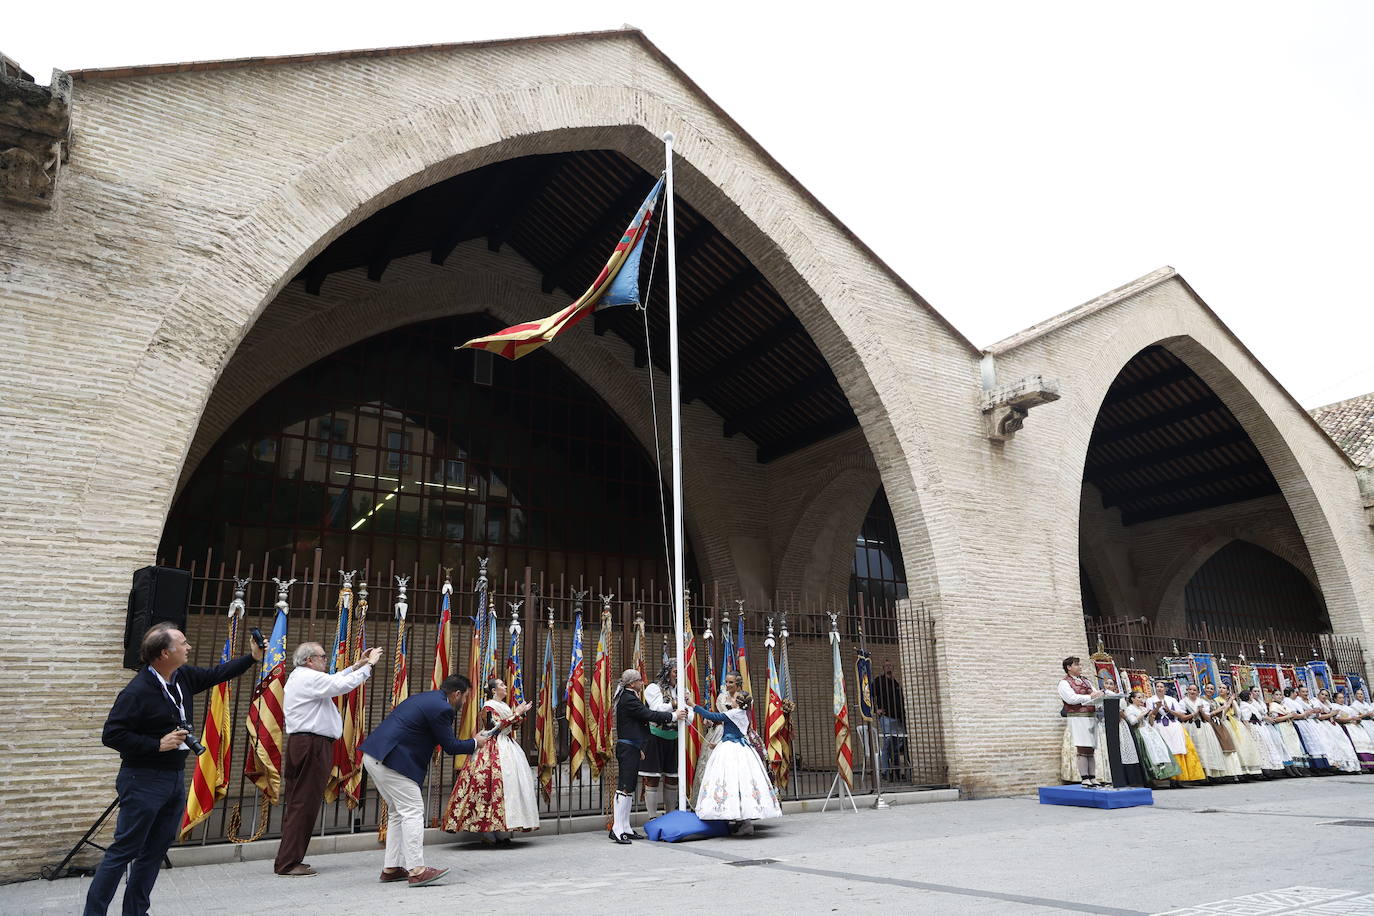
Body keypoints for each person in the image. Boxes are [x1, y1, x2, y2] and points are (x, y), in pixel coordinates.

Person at [85, 623, 263, 916]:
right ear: (165, 653)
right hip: (142, 779)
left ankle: (136, 912)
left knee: (154, 852)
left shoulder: (182, 677)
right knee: (124, 850)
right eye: (183, 643)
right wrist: (156, 744)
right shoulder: (137, 691)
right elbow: (112, 735)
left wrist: (252, 658)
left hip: (172, 778)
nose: (188, 647)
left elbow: (218, 674)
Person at [359, 674, 489, 887]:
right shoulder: (443, 708)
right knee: (412, 811)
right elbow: (450, 746)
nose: (464, 702)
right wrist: (475, 742)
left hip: (375, 755)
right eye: (465, 697)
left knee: (397, 813)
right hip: (391, 761)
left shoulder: (426, 699)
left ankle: (391, 868)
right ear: (456, 694)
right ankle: (417, 870)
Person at [274, 641, 382, 876]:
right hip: (311, 744)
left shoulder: (304, 677)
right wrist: (368, 667)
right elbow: (339, 685)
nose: (326, 659)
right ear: (309, 660)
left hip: (306, 743)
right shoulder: (307, 677)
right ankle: (288, 862)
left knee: (300, 802)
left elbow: (334, 680)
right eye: (322, 656)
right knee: (304, 803)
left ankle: (289, 858)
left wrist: (357, 665)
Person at [442, 677, 537, 840]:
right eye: (501, 685)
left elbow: (511, 726)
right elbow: (496, 727)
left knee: (509, 788)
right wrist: (517, 713)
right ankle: (487, 831)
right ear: (493, 690)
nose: (505, 687)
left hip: (507, 746)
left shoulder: (504, 705)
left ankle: (502, 830)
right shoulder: (488, 706)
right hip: (492, 747)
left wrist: (520, 714)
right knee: (489, 787)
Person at [609, 668, 686, 844]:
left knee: (629, 790)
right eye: (638, 680)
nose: (642, 683)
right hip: (628, 747)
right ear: (631, 683)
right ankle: (617, 828)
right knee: (624, 788)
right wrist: (673, 716)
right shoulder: (628, 699)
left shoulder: (630, 697)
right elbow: (649, 715)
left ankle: (626, 827)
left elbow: (640, 722)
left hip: (634, 746)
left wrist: (641, 746)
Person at [692, 691, 782, 834]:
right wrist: (718, 743)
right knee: (742, 783)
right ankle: (744, 823)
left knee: (730, 780)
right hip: (742, 747)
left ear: (738, 703)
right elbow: (733, 731)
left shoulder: (734, 713)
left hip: (731, 749)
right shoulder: (745, 713)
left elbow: (713, 716)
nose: (731, 699)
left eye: (734, 698)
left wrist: (693, 705)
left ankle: (733, 818)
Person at [641, 660, 683, 822]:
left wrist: (687, 711)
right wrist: (675, 703)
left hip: (674, 738)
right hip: (655, 737)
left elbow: (689, 712)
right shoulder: (653, 688)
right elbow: (657, 708)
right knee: (652, 777)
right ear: (667, 672)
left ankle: (671, 815)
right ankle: (652, 817)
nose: (678, 676)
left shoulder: (682, 690)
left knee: (672, 776)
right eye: (675, 672)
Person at [1146, 680, 1206, 786]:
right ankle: (1169, 777)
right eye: (1157, 686)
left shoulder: (1172, 699)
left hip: (1174, 726)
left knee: (1178, 751)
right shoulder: (1150, 700)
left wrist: (1169, 710)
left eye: (1161, 686)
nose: (1159, 688)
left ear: (1165, 689)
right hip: (1160, 726)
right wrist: (1157, 707)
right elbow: (1151, 716)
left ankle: (1178, 778)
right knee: (1166, 751)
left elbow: (1180, 715)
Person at [1057, 656, 1104, 787]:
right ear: (1069, 667)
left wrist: (1101, 695)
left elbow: (1095, 693)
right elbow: (1071, 698)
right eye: (1077, 665)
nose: (1080, 667)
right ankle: (1084, 778)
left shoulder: (1086, 681)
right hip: (1078, 716)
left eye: (1080, 664)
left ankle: (1093, 777)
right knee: (1082, 747)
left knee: (1091, 748)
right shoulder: (1064, 683)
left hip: (1091, 716)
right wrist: (1089, 696)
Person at [871, 661, 908, 779]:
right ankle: (886, 772)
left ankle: (896, 772)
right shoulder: (878, 681)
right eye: (886, 666)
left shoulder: (895, 683)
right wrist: (875, 709)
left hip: (898, 719)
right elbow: (869, 695)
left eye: (890, 665)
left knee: (897, 746)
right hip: (886, 718)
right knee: (887, 744)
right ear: (883, 668)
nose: (888, 667)